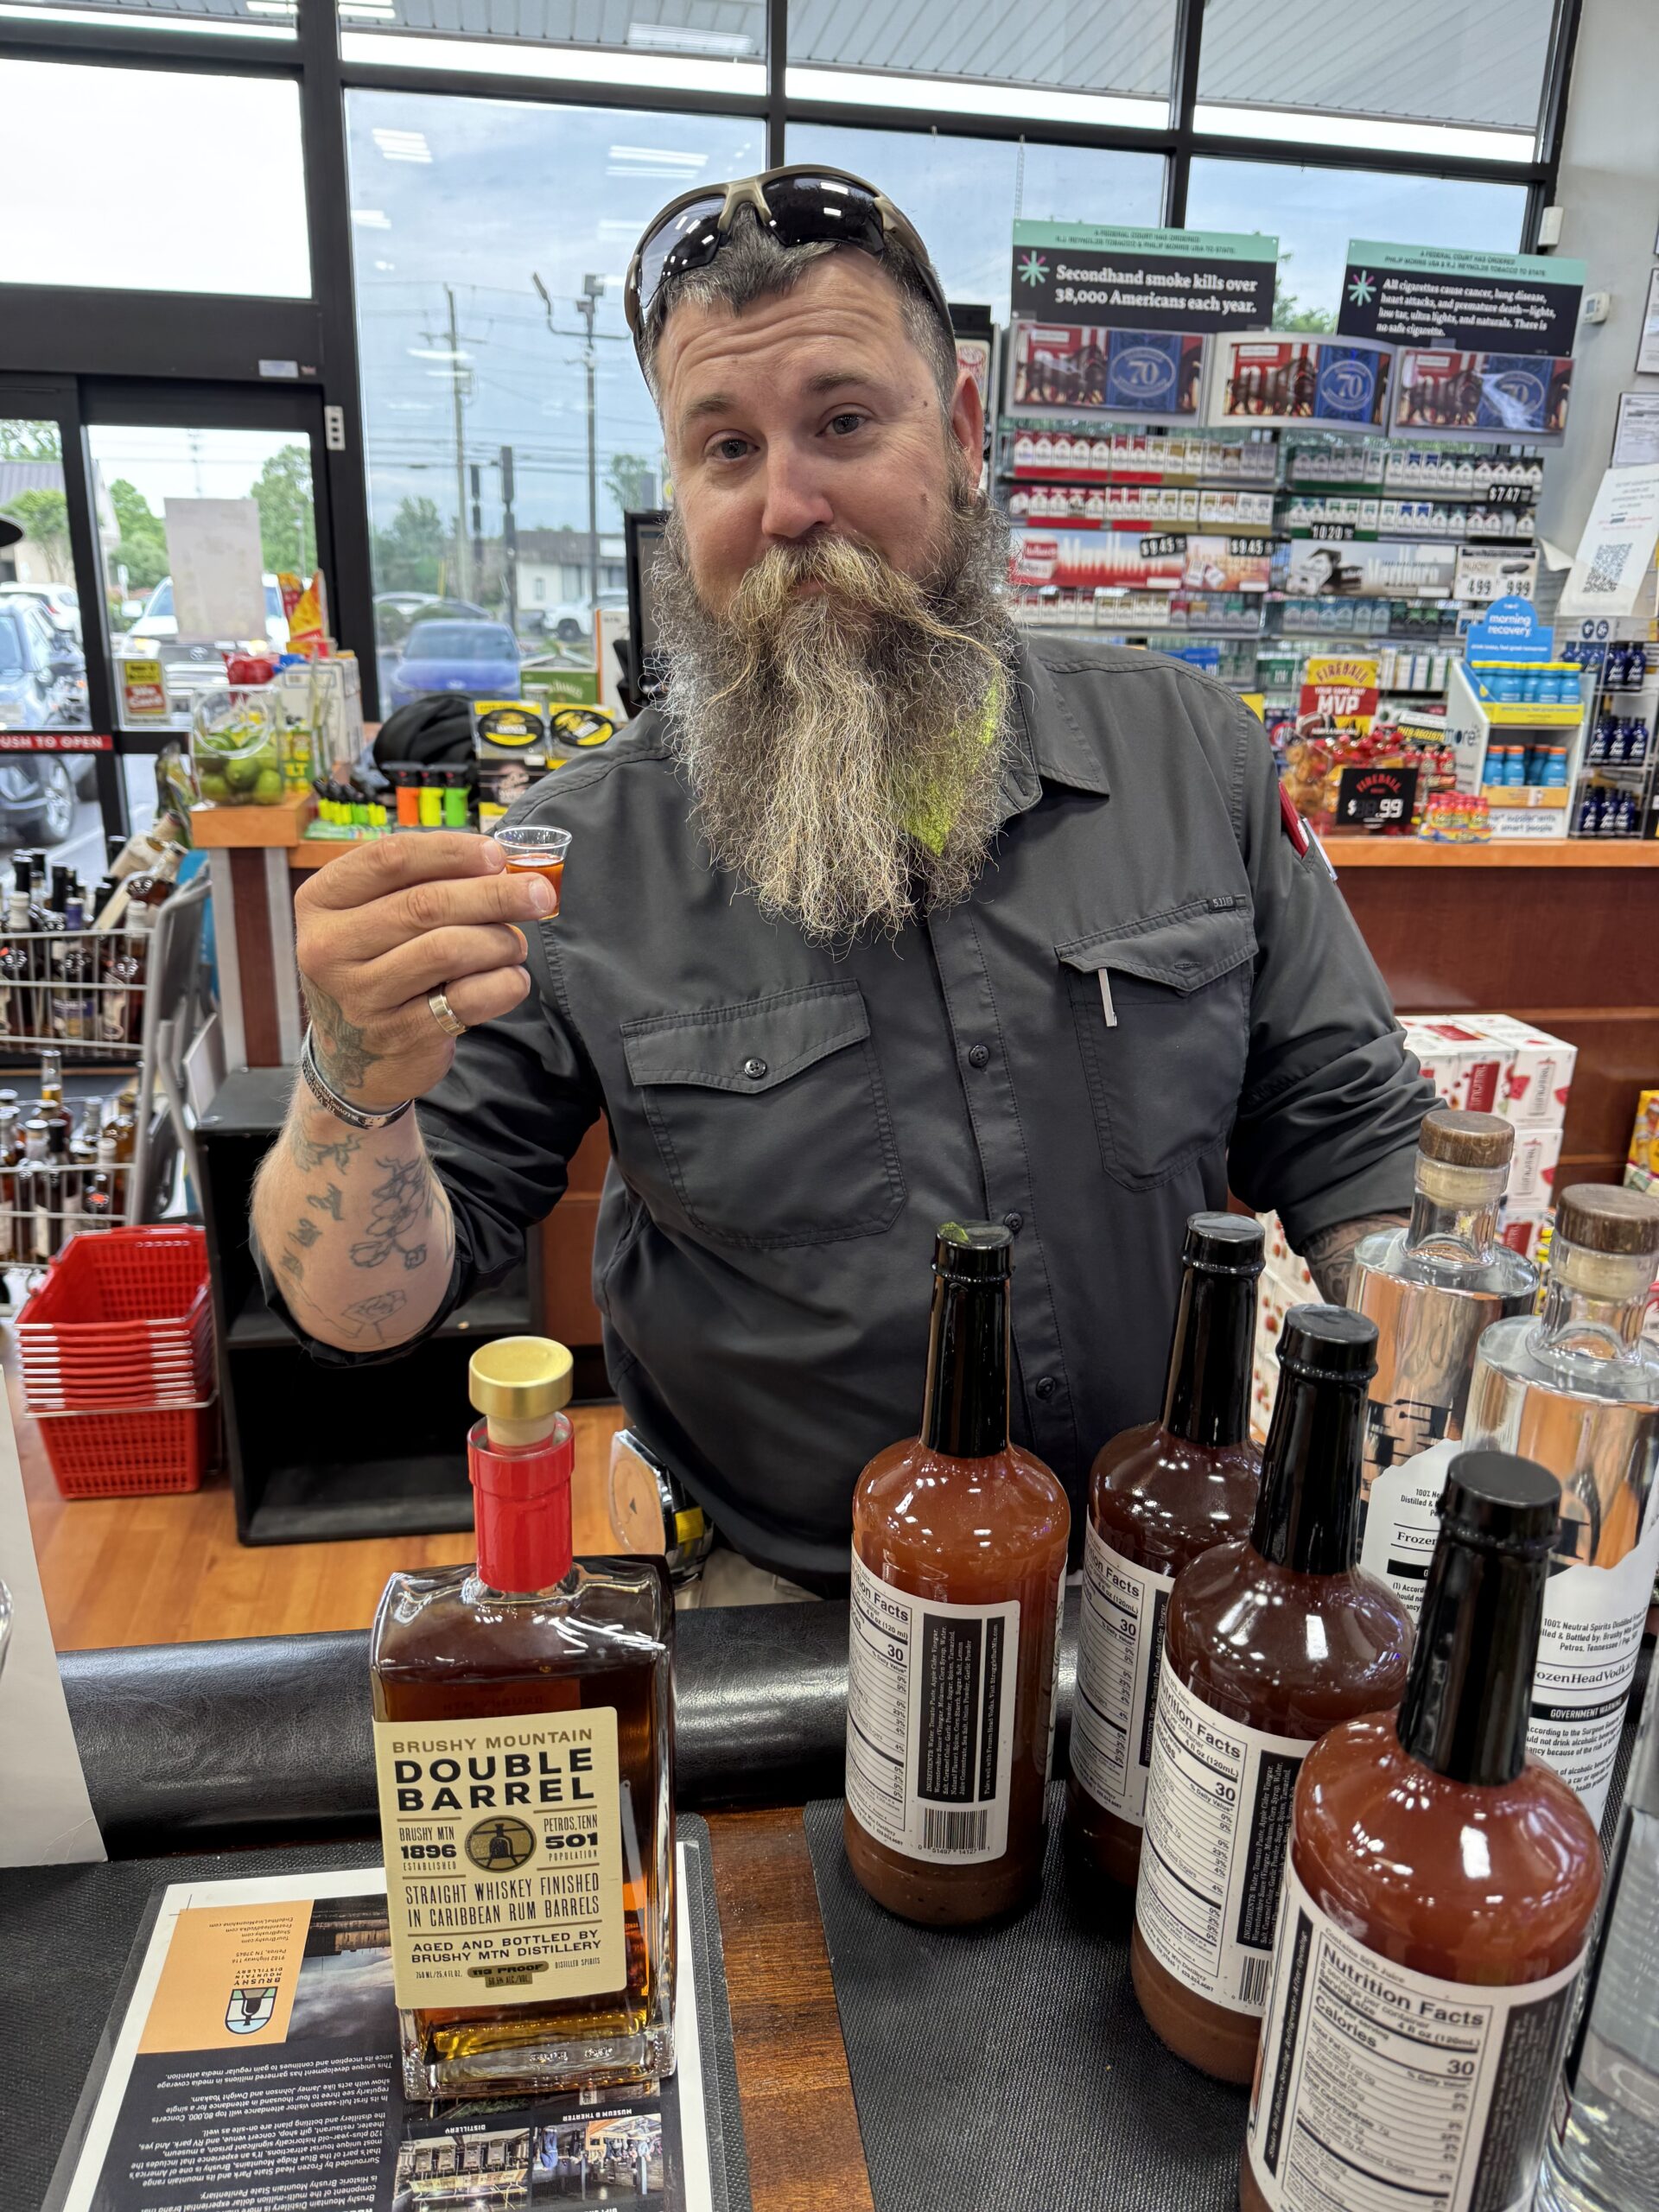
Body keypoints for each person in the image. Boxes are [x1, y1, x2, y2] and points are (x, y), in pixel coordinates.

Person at [251, 164, 1433, 1602]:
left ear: (966, 430)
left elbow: (1350, 1131)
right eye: (726, 448)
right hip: (788, 1605)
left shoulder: (1194, 759)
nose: (789, 503)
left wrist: (1430, 1441)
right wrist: (353, 1082)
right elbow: (367, 1309)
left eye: (844, 423)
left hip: (1169, 1576)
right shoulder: (577, 862)